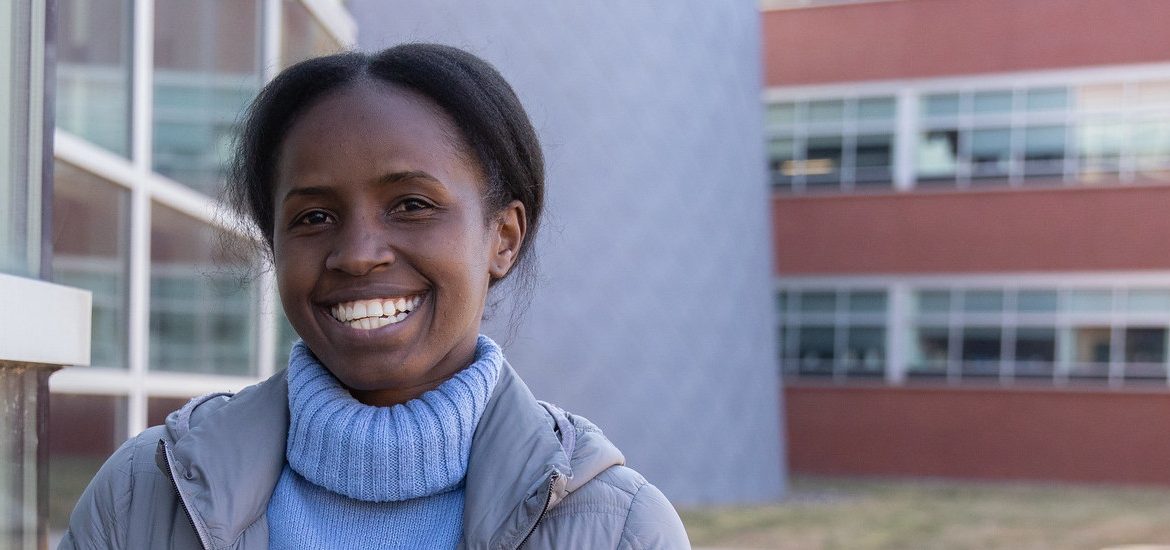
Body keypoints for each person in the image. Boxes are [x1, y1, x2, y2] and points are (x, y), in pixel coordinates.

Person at [59, 43, 690, 549]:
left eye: (412, 205)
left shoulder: (619, 529)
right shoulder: (144, 494)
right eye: (312, 216)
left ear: (503, 236)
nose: (358, 253)